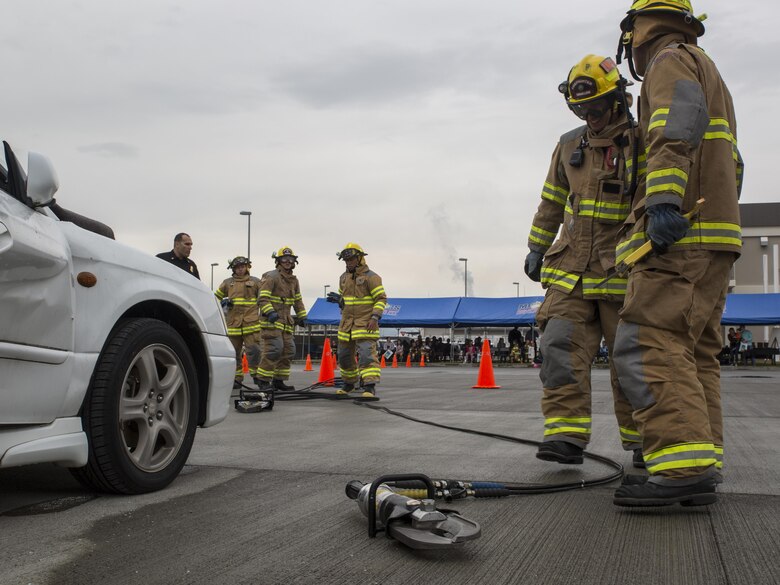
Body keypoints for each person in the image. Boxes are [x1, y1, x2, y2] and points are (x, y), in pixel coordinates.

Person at [612, 0, 742, 507]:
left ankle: (681, 465)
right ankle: (700, 465)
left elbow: (675, 122)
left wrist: (664, 198)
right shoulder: (708, 69)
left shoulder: (669, 61)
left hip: (680, 234)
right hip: (715, 235)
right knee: (697, 353)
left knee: (652, 338)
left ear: (636, 34)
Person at [524, 54, 643, 467]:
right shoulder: (569, 144)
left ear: (617, 100)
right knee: (558, 346)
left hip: (621, 273)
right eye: (581, 109)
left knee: (632, 360)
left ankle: (645, 442)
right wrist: (537, 246)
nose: (589, 115)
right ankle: (565, 437)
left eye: (595, 107)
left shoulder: (641, 141)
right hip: (571, 271)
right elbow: (552, 200)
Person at [326, 243, 387, 399]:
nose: (348, 262)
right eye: (346, 260)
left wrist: (375, 317)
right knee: (344, 356)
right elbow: (345, 302)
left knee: (367, 356)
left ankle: (369, 386)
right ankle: (349, 384)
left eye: (352, 259)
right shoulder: (343, 278)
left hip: (366, 324)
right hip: (347, 325)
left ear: (360, 258)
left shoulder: (371, 277)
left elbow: (381, 299)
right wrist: (340, 301)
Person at [255, 247, 308, 392]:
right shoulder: (271, 277)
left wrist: (303, 317)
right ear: (278, 261)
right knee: (274, 349)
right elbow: (263, 298)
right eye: (284, 259)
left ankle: (279, 381)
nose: (287, 262)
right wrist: (270, 312)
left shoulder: (293, 280)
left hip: (286, 322)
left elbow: (298, 301)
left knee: (289, 351)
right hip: (271, 321)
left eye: (290, 259)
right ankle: (263, 380)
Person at [214, 256, 262, 389]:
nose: (240, 270)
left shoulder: (256, 282)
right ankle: (236, 379)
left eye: (243, 267)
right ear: (233, 269)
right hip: (233, 325)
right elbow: (214, 298)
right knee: (234, 353)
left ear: (247, 267)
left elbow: (264, 299)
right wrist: (223, 302)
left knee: (255, 351)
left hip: (251, 324)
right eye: (238, 268)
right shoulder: (227, 283)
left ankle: (258, 378)